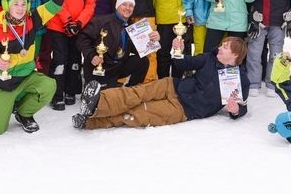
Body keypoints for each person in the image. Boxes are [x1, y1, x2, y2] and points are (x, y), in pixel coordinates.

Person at [71, 36, 249, 130]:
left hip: (184, 109)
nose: (219, 48)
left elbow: (242, 106)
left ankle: (89, 122)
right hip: (174, 85)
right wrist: (177, 50)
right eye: (222, 45)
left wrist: (235, 111)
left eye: (225, 47)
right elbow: (182, 63)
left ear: (235, 55)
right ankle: (97, 103)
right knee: (137, 93)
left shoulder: (239, 80)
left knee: (140, 113)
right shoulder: (209, 59)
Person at [0, 0, 67, 135]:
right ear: (7, 5)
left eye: (24, 4)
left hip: (26, 77)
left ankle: (23, 113)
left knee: (49, 85)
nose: (20, 8)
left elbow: (54, 5)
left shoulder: (32, 19)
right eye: (15, 4)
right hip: (3, 84)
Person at [46, 0, 98, 109]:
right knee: (60, 60)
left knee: (75, 60)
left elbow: (90, 5)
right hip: (57, 24)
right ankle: (57, 94)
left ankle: (70, 91)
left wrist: (78, 23)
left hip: (77, 26)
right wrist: (67, 21)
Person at [75, 0, 150, 90]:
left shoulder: (132, 28)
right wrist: (91, 55)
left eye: (131, 5)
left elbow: (138, 50)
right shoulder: (101, 21)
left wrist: (150, 40)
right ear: (117, 6)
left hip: (116, 68)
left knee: (143, 61)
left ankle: (131, 91)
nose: (127, 8)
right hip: (98, 67)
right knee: (102, 102)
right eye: (124, 4)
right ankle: (99, 86)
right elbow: (82, 38)